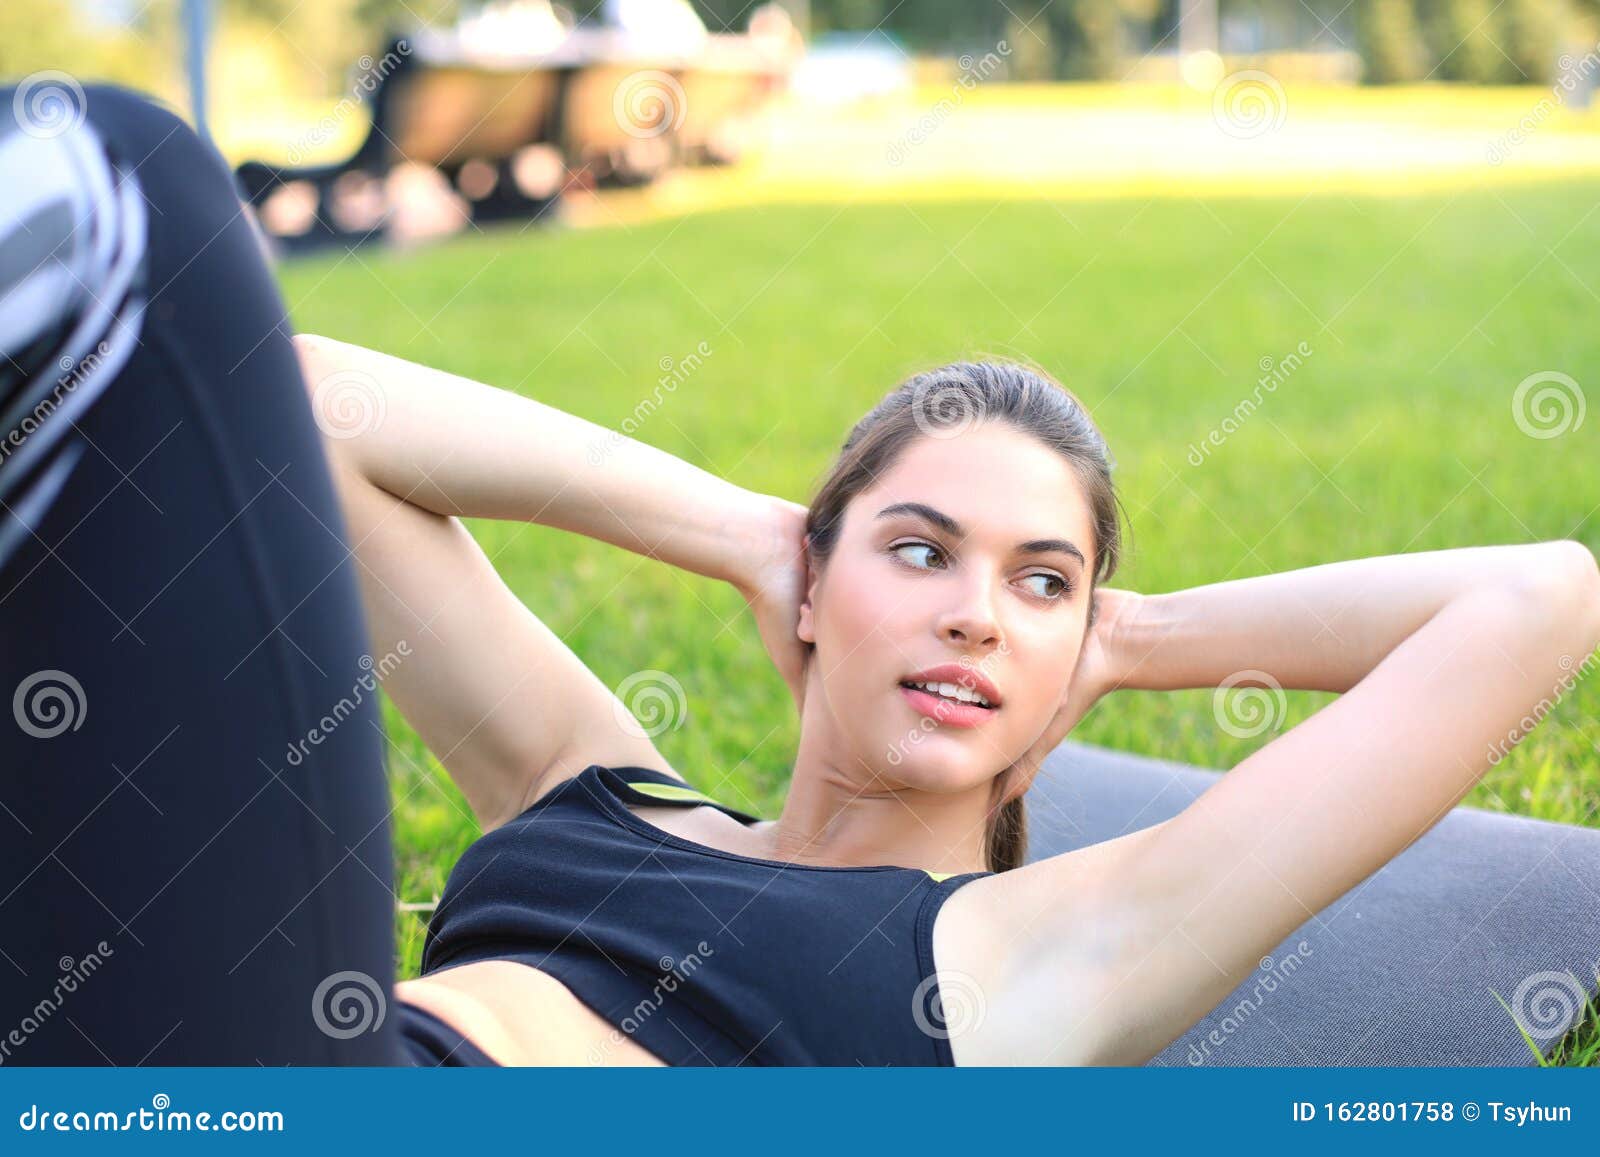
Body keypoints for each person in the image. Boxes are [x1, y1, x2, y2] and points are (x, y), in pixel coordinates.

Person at [5, 85, 1599, 1067]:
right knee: (114, 188)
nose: (980, 604)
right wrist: (737, 530)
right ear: (817, 588)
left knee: (128, 178)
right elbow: (304, 412)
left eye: (1042, 581)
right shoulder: (582, 779)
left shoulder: (1034, 958)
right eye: (920, 549)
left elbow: (1540, 599)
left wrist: (1123, 641)